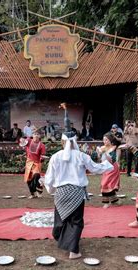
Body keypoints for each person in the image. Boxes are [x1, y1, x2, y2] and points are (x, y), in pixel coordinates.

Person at [44, 104, 113, 259]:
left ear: (62, 143)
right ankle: (73, 251)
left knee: (61, 218)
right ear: (75, 142)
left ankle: (61, 238)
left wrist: (51, 190)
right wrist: (108, 164)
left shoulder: (55, 157)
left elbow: (49, 178)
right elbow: (95, 168)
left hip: (61, 193)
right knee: (76, 221)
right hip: (76, 192)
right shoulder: (81, 156)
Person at [21, 128, 46, 199]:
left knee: (36, 176)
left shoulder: (42, 145)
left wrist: (42, 159)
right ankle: (32, 194)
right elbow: (22, 143)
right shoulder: (28, 141)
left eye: (37, 134)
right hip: (29, 162)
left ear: (40, 136)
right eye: (34, 134)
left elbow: (42, 155)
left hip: (37, 163)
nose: (36, 135)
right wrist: (22, 140)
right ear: (32, 135)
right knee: (28, 179)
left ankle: (38, 190)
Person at [98, 133, 120, 208]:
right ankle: (114, 200)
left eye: (106, 140)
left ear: (110, 141)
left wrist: (106, 153)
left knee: (108, 184)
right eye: (103, 140)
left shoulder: (113, 147)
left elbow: (112, 159)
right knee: (105, 184)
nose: (104, 141)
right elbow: (99, 158)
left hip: (113, 168)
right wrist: (98, 153)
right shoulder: (102, 148)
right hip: (105, 168)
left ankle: (106, 202)